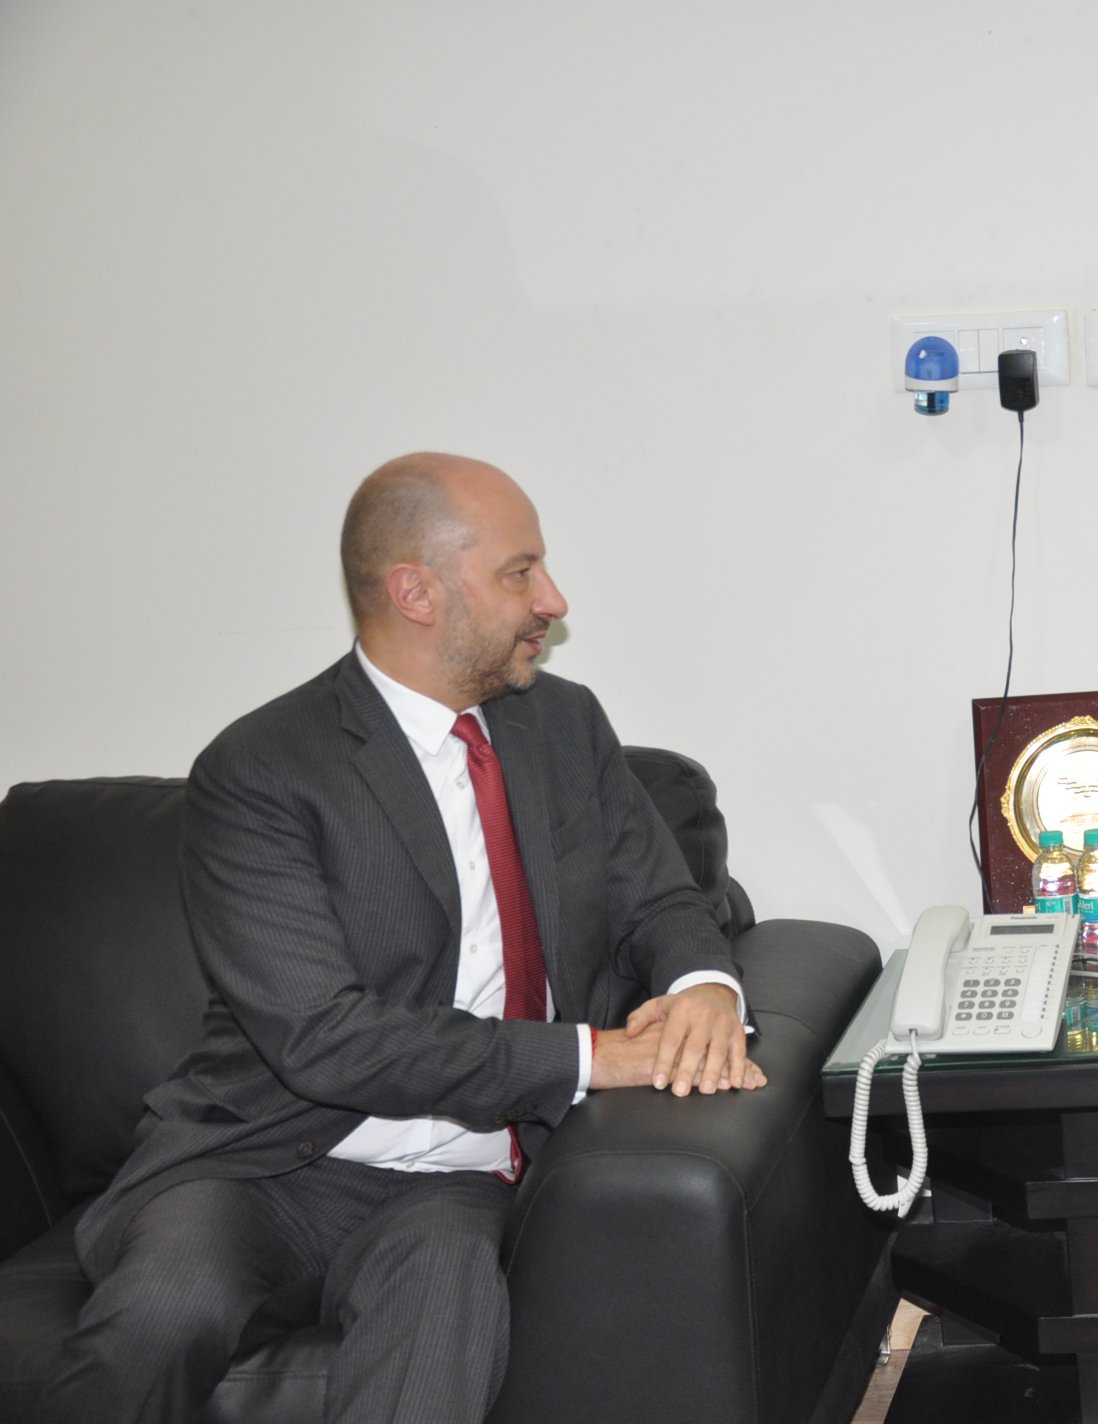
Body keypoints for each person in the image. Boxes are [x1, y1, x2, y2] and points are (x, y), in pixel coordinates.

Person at [35, 453, 762, 1424]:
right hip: (264, 1163)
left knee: (442, 1308)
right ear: (415, 591)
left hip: (453, 1178)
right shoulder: (263, 771)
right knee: (168, 1305)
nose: (551, 597)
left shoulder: (563, 726)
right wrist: (593, 1055)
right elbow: (322, 1037)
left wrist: (708, 983)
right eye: (518, 572)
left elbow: (660, 898)